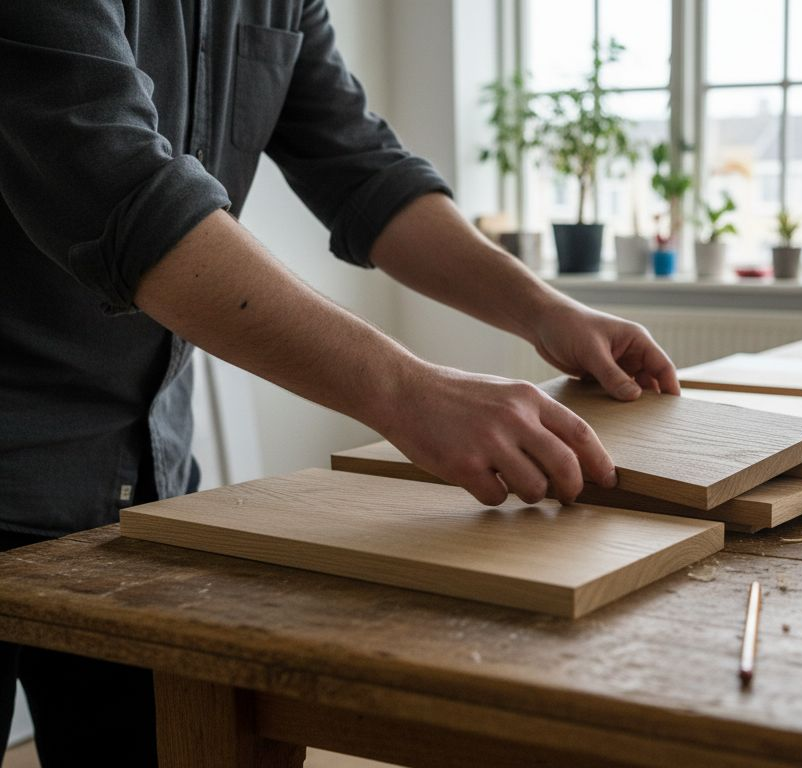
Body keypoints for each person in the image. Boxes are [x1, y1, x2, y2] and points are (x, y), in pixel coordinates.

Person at [0, 2, 679, 764]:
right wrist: (410, 392)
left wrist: (545, 311)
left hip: (137, 475)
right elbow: (118, 187)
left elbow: (363, 166)